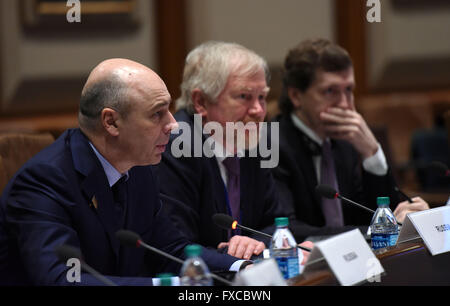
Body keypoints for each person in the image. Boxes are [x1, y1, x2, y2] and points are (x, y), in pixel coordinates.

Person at [0, 58, 247, 286]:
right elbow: (63, 280)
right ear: (111, 122)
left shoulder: (138, 168)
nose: (173, 125)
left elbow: (170, 249)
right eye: (157, 114)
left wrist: (243, 268)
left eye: (169, 110)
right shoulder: (45, 181)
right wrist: (171, 285)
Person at [156, 41, 313, 261]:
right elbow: (176, 248)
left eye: (262, 97)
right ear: (201, 102)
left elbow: (276, 223)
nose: (258, 110)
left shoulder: (252, 142)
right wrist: (232, 255)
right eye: (244, 97)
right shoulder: (176, 147)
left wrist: (255, 243)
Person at [272, 39, 429, 240]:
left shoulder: (346, 141)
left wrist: (372, 154)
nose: (345, 105)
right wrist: (375, 230)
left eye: (349, 90)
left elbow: (369, 215)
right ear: (296, 96)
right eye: (330, 91)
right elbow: (286, 229)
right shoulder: (272, 143)